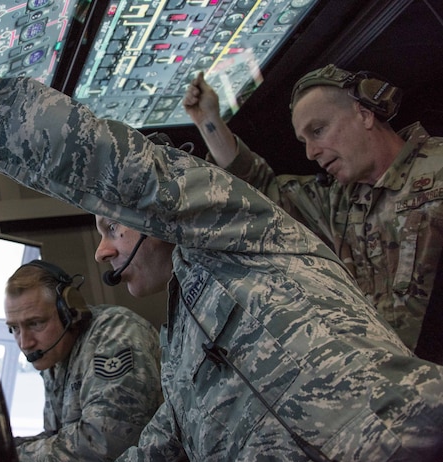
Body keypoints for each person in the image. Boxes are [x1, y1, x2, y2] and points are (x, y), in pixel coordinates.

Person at [0, 26, 443, 462]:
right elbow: (153, 452)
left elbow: (66, 142)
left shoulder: (238, 233)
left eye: (112, 227)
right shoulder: (180, 347)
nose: (101, 253)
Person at [182, 67, 443, 364]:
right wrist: (209, 122)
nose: (311, 152)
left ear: (365, 114)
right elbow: (262, 192)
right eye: (304, 140)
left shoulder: (437, 170)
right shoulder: (340, 201)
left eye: (317, 131)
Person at [4, 260, 163, 462]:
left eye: (35, 323)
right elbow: (57, 437)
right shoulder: (55, 358)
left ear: (68, 311)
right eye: (14, 329)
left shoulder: (116, 334)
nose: (25, 343)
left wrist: (8, 459)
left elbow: (102, 443)